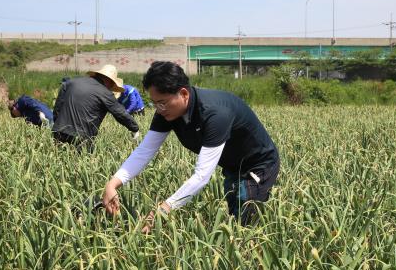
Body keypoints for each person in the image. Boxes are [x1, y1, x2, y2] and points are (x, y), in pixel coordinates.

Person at [102, 61, 280, 231]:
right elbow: (145, 150)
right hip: (233, 166)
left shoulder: (215, 114)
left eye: (162, 102)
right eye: (154, 103)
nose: (159, 108)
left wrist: (164, 208)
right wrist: (113, 184)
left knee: (244, 216)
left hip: (259, 164)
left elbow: (202, 176)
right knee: (234, 214)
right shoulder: (166, 112)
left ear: (184, 94)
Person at [52, 64, 140, 151]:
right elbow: (120, 113)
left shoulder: (71, 83)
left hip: (59, 132)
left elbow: (57, 108)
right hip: (82, 137)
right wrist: (135, 128)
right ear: (109, 81)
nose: (111, 88)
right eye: (112, 84)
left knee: (59, 159)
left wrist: (58, 126)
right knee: (83, 162)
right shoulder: (105, 93)